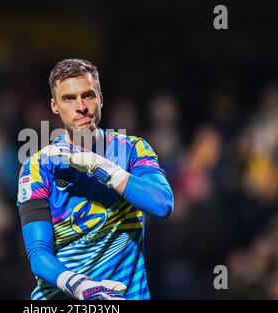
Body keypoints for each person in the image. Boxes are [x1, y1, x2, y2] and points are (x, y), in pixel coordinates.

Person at [16, 58, 174, 300]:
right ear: (54, 106)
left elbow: (162, 204)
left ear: (101, 98)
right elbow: (38, 254)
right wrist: (81, 286)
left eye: (88, 95)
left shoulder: (132, 150)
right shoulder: (37, 167)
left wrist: (99, 165)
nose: (81, 106)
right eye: (69, 98)